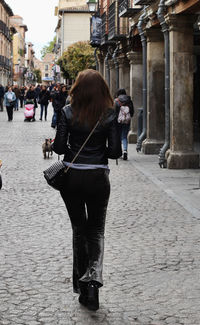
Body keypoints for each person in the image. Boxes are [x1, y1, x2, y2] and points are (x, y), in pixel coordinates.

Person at [52, 69, 122, 311]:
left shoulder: (67, 112)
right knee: (96, 232)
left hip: (72, 177)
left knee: (79, 230)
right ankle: (92, 284)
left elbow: (60, 148)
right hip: (98, 178)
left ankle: (82, 288)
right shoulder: (109, 114)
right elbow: (114, 152)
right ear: (102, 89)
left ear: (77, 89)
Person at [114, 88, 134, 160]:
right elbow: (132, 111)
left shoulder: (116, 101)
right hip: (127, 121)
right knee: (124, 136)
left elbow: (114, 112)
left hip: (118, 121)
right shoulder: (129, 101)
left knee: (118, 137)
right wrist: (128, 117)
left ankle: (119, 152)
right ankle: (125, 150)